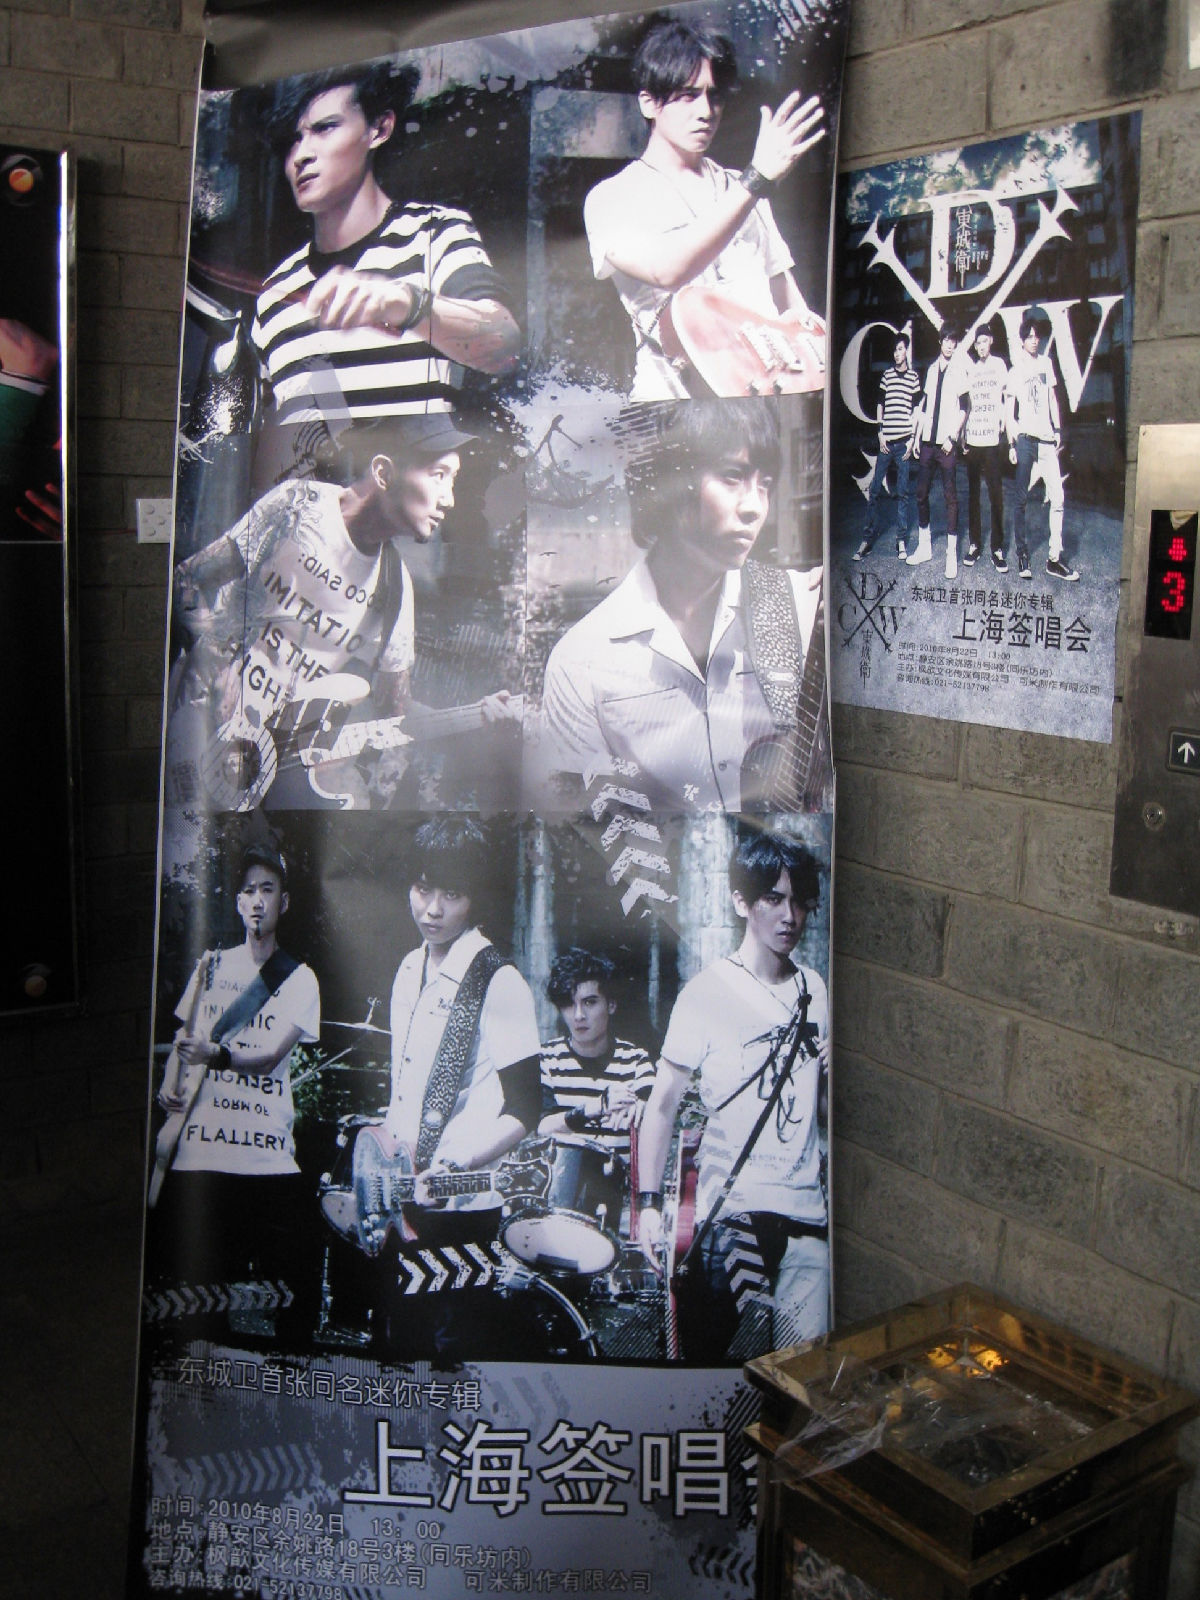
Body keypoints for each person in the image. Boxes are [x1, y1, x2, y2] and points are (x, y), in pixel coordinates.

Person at [167, 414, 512, 810]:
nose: (449, 499)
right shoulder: (297, 507)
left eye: (453, 480)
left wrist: (475, 715)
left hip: (262, 775)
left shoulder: (395, 589)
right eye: (439, 476)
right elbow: (187, 580)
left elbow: (396, 715)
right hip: (198, 725)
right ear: (383, 473)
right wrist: (214, 656)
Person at [540, 399, 823, 813]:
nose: (754, 507)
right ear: (671, 483)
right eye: (732, 477)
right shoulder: (581, 659)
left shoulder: (800, 605)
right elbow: (579, 825)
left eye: (764, 484)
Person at [635, 830, 829, 1362]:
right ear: (741, 901)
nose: (789, 916)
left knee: (800, 1376)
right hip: (735, 1218)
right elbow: (662, 1105)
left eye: (799, 902)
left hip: (807, 1220)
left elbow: (821, 1113)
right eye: (773, 899)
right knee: (719, 1371)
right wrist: (649, 1206)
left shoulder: (816, 991)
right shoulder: (707, 993)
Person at [253, 63, 520, 425]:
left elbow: (503, 339)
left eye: (325, 128)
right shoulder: (273, 295)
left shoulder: (434, 234)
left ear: (379, 129)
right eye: (293, 141)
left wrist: (406, 303)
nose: (301, 155)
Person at [583, 19, 825, 401]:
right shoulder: (611, 197)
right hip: (672, 409)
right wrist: (756, 180)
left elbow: (791, 307)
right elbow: (665, 270)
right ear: (649, 102)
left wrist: (803, 333)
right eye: (687, 95)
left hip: (759, 405)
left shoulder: (741, 187)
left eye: (715, 96)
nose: (706, 111)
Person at [373, 817, 542, 1354]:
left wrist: (456, 1166)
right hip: (402, 1199)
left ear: (475, 898)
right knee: (396, 1352)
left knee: (453, 1356)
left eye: (452, 894)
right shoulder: (407, 969)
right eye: (423, 889)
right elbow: (403, 1091)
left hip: (462, 1208)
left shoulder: (499, 980)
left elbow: (526, 1108)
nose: (433, 909)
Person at [150, 842, 321, 1343]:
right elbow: (183, 1041)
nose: (257, 900)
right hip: (201, 1152)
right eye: (248, 890)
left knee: (295, 1288)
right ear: (238, 902)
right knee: (199, 1293)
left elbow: (268, 1056)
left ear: (283, 902)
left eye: (268, 889)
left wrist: (215, 1055)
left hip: (266, 1156)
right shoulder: (210, 966)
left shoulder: (300, 979)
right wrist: (167, 1088)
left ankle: (287, 1374)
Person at [538, 947, 655, 1142]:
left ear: (611, 1005)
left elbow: (653, 1112)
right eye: (569, 1004)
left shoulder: (636, 1060)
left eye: (589, 1002)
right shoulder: (547, 1059)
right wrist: (596, 1107)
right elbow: (542, 1127)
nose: (578, 1016)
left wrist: (642, 1106)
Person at [1005, 313, 1075, 581]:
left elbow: (1053, 398)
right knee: (1021, 500)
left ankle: (1054, 559)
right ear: (1022, 340)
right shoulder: (1015, 370)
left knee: (1058, 498)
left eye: (1037, 336)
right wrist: (1012, 442)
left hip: (1046, 441)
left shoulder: (1046, 363)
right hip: (1025, 440)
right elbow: (1009, 410)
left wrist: (1057, 430)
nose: (1034, 340)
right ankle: (1022, 555)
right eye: (1030, 337)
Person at [906, 324, 965, 578]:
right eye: (947, 340)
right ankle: (925, 547)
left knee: (951, 497)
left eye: (954, 341)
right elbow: (925, 405)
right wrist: (916, 437)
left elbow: (964, 408)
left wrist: (953, 437)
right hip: (928, 443)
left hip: (946, 445)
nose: (950, 344)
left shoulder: (960, 371)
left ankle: (951, 555)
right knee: (921, 493)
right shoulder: (931, 370)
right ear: (940, 341)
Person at [853, 334, 920, 561]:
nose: (897, 353)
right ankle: (866, 540)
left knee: (902, 493)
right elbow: (880, 404)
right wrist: (880, 432)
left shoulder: (913, 378)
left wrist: (912, 439)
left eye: (900, 349)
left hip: (904, 443)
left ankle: (901, 541)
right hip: (886, 443)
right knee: (874, 490)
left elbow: (916, 410)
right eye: (894, 350)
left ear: (906, 351)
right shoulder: (887, 376)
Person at [960, 320, 1009, 571]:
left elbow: (1006, 397)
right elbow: (967, 405)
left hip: (991, 439)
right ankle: (974, 545)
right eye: (977, 342)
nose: (981, 346)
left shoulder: (999, 365)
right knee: (973, 495)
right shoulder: (971, 369)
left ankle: (997, 548)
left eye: (984, 341)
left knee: (995, 494)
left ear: (991, 341)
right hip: (973, 438)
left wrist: (1004, 421)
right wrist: (963, 434)